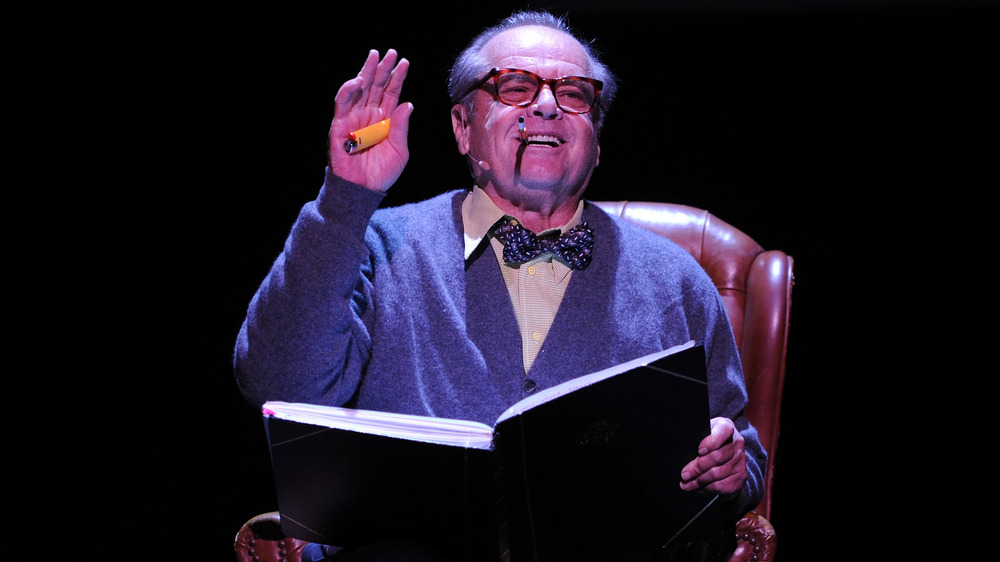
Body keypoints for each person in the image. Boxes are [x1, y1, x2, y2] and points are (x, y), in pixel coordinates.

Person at [234, 9, 765, 562]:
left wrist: (729, 469)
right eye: (515, 86)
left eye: (575, 93)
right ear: (463, 129)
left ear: (597, 142)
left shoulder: (676, 279)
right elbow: (277, 381)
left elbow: (743, 457)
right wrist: (346, 198)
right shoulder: (377, 245)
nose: (545, 104)